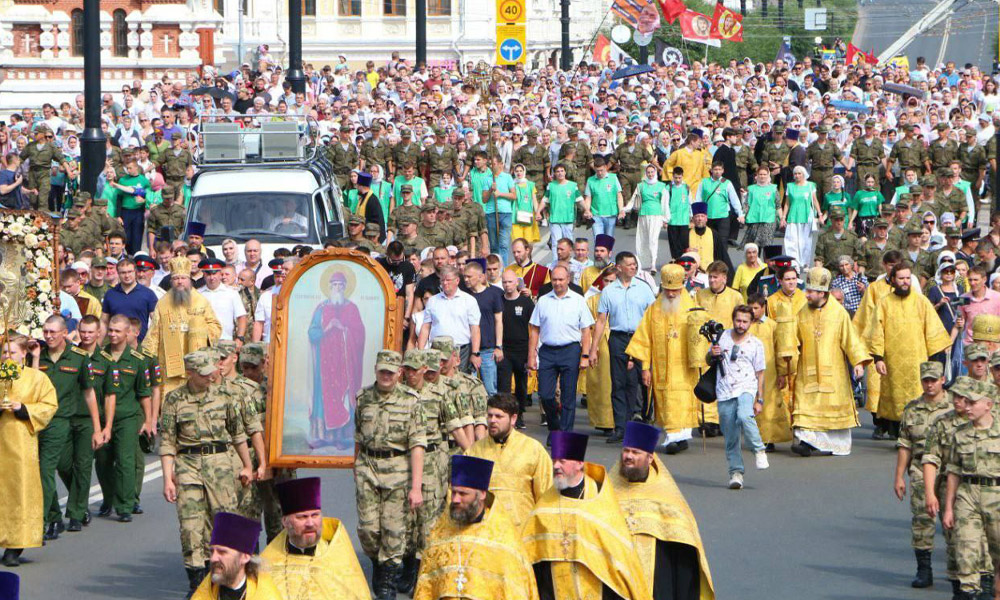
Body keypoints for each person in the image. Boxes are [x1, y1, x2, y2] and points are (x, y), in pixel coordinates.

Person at [159, 350, 253, 595]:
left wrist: (248, 465)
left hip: (220, 464)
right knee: (191, 526)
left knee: (223, 524)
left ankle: (227, 579)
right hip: (188, 463)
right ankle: (197, 583)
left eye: (211, 372)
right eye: (203, 374)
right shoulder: (174, 399)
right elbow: (168, 442)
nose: (210, 377)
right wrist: (167, 478)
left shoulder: (225, 395)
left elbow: (238, 434)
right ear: (189, 373)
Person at [521, 431, 651, 600]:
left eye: (562, 461)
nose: (556, 466)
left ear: (579, 463)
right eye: (554, 461)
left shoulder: (600, 502)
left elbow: (619, 558)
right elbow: (530, 559)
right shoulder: (543, 506)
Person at [610, 422, 715, 600]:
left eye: (635, 452)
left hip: (658, 584)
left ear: (650, 458)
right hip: (616, 583)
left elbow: (684, 554)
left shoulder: (667, 496)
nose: (628, 456)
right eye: (626, 451)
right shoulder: (607, 490)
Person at [353, 350, 427, 600]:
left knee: (394, 531)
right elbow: (358, 437)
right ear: (375, 370)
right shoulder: (363, 398)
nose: (386, 375)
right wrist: (356, 468)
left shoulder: (412, 401)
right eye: (382, 370)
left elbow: (417, 445)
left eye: (391, 372)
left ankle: (387, 585)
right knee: (368, 530)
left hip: (398, 471)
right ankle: (379, 562)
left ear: (399, 373)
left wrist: (416, 487)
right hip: (368, 469)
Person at [414, 454, 539, 600]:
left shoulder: (505, 541)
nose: (455, 500)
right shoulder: (439, 535)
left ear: (482, 495)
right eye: (453, 492)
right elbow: (425, 590)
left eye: (463, 494)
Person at [781, 268, 871, 457]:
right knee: (806, 406)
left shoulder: (839, 313)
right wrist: (787, 354)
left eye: (810, 292)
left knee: (831, 411)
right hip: (807, 369)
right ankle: (806, 443)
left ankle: (830, 444)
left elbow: (851, 339)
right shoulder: (802, 313)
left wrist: (858, 363)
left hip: (834, 371)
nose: (806, 295)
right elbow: (793, 339)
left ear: (821, 293)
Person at [864, 261, 951, 437]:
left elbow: (933, 330)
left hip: (917, 361)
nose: (905, 282)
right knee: (894, 398)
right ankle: (897, 433)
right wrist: (878, 359)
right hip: (892, 362)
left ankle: (916, 432)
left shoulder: (921, 301)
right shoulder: (884, 303)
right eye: (901, 278)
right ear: (893, 280)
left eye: (907, 278)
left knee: (917, 396)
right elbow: (876, 332)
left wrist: (934, 361)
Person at [35, 315, 102, 539]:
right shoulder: (37, 355)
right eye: (45, 331)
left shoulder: (79, 357)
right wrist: (34, 357)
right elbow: (31, 384)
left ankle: (68, 513)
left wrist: (97, 427)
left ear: (65, 333)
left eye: (53, 332)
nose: (49, 336)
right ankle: (64, 510)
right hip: (40, 421)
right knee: (62, 467)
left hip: (67, 418)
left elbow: (89, 392)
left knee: (68, 466)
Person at [626, 264, 701, 454]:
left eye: (675, 290)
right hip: (660, 368)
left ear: (682, 287)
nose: (671, 294)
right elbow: (644, 338)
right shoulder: (654, 309)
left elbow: (699, 338)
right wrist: (644, 367)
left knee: (681, 399)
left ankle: (678, 437)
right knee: (665, 400)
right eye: (668, 290)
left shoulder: (691, 307)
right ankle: (673, 435)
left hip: (684, 368)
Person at [0, 334, 58, 567]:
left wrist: (22, 408)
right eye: (4, 353)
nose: (8, 357)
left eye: (12, 352)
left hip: (21, 443)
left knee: (19, 492)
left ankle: (15, 545)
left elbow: (49, 405)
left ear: (24, 353)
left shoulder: (36, 378)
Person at [893, 361, 952, 590]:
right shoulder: (912, 409)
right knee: (922, 520)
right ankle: (924, 569)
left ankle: (956, 567)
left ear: (942, 380)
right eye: (925, 381)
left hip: (948, 472)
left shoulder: (953, 407)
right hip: (919, 470)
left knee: (952, 522)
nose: (929, 385)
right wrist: (898, 477)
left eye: (933, 380)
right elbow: (904, 444)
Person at [260, 477, 370, 600]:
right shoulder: (268, 561)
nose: (310, 523)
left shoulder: (338, 559)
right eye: (302, 517)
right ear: (285, 522)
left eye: (315, 515)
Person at [942, 377, 1000, 599]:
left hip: (996, 495)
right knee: (966, 552)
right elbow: (954, 471)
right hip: (968, 497)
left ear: (988, 405)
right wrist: (948, 507)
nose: (967, 407)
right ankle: (968, 592)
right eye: (966, 402)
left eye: (972, 403)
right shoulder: (961, 433)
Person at [591, 251, 656, 443]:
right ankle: (621, 426)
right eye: (629, 264)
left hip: (640, 337)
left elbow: (652, 316)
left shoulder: (643, 288)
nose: (633, 267)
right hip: (618, 338)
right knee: (618, 383)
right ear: (619, 267)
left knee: (642, 380)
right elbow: (601, 321)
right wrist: (594, 348)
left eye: (634, 264)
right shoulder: (609, 291)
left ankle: (643, 419)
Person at [464, 393, 553, 531]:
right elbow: (461, 495)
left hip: (522, 531)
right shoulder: (474, 452)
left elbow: (546, 496)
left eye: (499, 416)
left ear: (513, 419)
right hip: (485, 531)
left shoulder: (533, 450)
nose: (492, 420)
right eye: (490, 415)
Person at [528, 265, 594, 432]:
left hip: (570, 350)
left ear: (568, 280)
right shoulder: (543, 300)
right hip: (548, 351)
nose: (557, 283)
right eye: (554, 279)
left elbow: (586, 329)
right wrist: (531, 356)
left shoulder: (578, 300)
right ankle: (555, 428)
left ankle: (564, 434)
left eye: (561, 280)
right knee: (545, 394)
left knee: (568, 396)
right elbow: (534, 329)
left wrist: (585, 355)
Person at [143, 256, 223, 392]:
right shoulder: (163, 303)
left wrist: (199, 329)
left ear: (189, 280)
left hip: (195, 360)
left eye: (183, 278)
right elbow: (154, 332)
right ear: (171, 281)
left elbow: (215, 326)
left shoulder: (201, 301)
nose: (180, 282)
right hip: (169, 363)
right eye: (176, 278)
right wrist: (146, 357)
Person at [710, 304, 768, 489]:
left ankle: (759, 449)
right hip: (725, 389)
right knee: (731, 436)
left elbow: (760, 373)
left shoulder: (756, 344)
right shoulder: (722, 337)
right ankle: (736, 473)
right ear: (733, 320)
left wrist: (759, 399)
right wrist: (712, 354)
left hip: (746, 387)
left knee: (745, 415)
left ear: (751, 323)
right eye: (738, 320)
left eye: (745, 321)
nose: (741, 324)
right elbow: (708, 360)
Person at [307, 268, 366, 449]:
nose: (338, 288)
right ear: (329, 287)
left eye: (341, 285)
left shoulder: (352, 308)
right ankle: (322, 436)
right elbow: (312, 332)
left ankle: (340, 437)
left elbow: (360, 333)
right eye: (334, 284)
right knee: (322, 397)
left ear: (346, 287)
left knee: (342, 397)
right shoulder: (321, 308)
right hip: (324, 363)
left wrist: (345, 329)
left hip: (343, 363)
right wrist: (327, 328)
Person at [102, 314, 153, 522]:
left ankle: (125, 505)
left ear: (127, 333)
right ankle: (108, 499)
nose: (113, 335)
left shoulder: (138, 361)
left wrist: (148, 420)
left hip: (127, 416)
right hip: (103, 417)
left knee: (125, 460)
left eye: (117, 331)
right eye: (111, 330)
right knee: (103, 461)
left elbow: (144, 393)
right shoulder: (99, 356)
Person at [190, 512, 281, 600]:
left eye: (222, 552)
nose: (213, 558)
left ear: (245, 557)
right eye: (212, 551)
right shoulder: (201, 596)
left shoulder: (267, 596)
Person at [747, 293, 792, 450]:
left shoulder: (772, 325)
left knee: (769, 403)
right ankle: (755, 437)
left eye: (756, 308)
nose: (753, 311)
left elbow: (779, 348)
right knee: (751, 402)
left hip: (769, 370)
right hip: (749, 370)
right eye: (750, 308)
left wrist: (782, 372)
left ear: (763, 308)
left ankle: (769, 438)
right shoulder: (746, 325)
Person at [417, 265, 481, 372]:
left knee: (459, 383)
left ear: (457, 281)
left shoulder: (469, 300)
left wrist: (475, 353)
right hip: (437, 350)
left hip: (461, 350)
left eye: (448, 280)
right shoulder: (432, 301)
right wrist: (420, 351)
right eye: (442, 280)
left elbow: (475, 329)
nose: (445, 283)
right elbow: (425, 327)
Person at [497, 270, 534, 422]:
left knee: (521, 385)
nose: (507, 285)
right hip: (505, 349)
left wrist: (532, 351)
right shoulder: (499, 300)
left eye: (510, 282)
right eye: (505, 282)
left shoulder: (526, 302)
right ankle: (505, 414)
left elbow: (534, 327)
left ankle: (518, 414)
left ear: (517, 283)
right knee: (504, 385)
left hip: (522, 349)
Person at [463, 260, 503, 395]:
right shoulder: (464, 295)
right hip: (468, 349)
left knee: (490, 389)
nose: (466, 280)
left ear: (480, 276)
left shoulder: (493, 294)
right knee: (469, 389)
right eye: (465, 277)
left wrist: (498, 346)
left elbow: (499, 321)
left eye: (469, 276)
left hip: (488, 349)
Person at [101, 257, 159, 342]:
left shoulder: (148, 294)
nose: (127, 276)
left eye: (129, 272)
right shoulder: (110, 294)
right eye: (123, 272)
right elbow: (103, 322)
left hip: (140, 346)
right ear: (118, 273)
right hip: (115, 344)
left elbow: (156, 321)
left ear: (135, 272)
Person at [780, 165, 823, 266]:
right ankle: (793, 262)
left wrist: (820, 214)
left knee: (805, 241)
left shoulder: (810, 185)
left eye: (799, 173)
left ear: (803, 174)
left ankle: (805, 263)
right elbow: (787, 203)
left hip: (806, 215)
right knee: (791, 240)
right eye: (795, 173)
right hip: (793, 215)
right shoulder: (790, 186)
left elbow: (815, 200)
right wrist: (783, 217)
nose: (797, 175)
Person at [198, 258, 247, 343]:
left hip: (225, 340)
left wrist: (240, 338)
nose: (212, 277)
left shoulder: (231, 293)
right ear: (204, 274)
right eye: (208, 274)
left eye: (214, 273)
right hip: (203, 340)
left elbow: (242, 317)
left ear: (220, 274)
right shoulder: (198, 294)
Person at [634, 163, 669, 270]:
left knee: (653, 240)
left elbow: (665, 203)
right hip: (643, 215)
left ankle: (653, 264)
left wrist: (665, 219)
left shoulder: (662, 186)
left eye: (652, 172)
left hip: (656, 216)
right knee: (642, 239)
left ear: (655, 173)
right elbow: (634, 200)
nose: (650, 174)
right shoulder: (640, 186)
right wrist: (624, 210)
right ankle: (641, 264)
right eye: (648, 172)